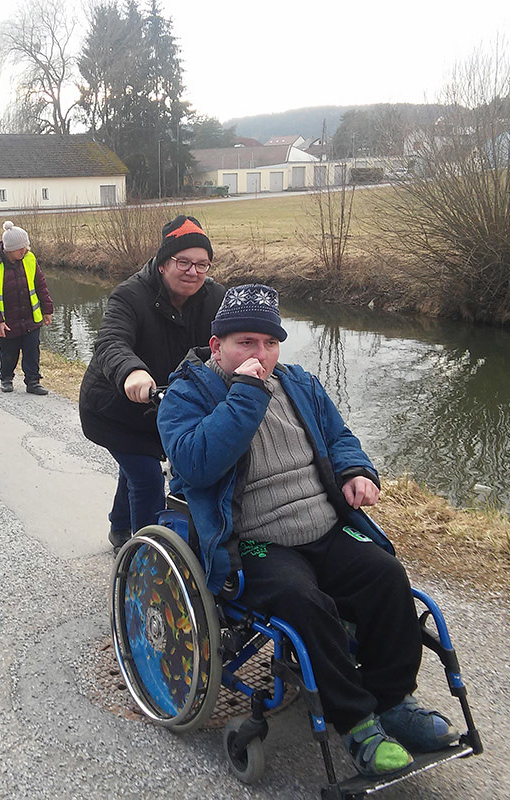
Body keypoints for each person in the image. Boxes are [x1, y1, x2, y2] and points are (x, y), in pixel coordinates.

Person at [156, 284, 458, 779]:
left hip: (324, 525)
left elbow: (339, 437)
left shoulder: (299, 383)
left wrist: (355, 471)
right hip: (255, 540)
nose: (260, 355)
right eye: (245, 343)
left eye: (269, 344)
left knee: (385, 575)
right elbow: (197, 464)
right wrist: (246, 395)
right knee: (302, 601)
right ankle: (356, 723)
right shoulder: (187, 395)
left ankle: (392, 701)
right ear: (217, 346)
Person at [79, 215, 225, 551]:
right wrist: (132, 372)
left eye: (202, 264)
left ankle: (120, 526)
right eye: (183, 262)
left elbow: (235, 338)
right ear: (162, 264)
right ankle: (147, 559)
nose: (193, 272)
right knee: (146, 477)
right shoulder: (129, 295)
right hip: (116, 410)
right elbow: (111, 341)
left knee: (136, 467)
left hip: (168, 409)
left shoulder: (216, 298)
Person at [0, 221, 53, 395]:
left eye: (25, 246)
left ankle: (33, 382)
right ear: (9, 249)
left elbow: (41, 286)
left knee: (32, 351)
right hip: (7, 322)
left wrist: (47, 310)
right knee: (8, 353)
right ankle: (6, 378)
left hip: (30, 319)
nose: (24, 250)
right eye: (20, 248)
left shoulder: (29, 259)